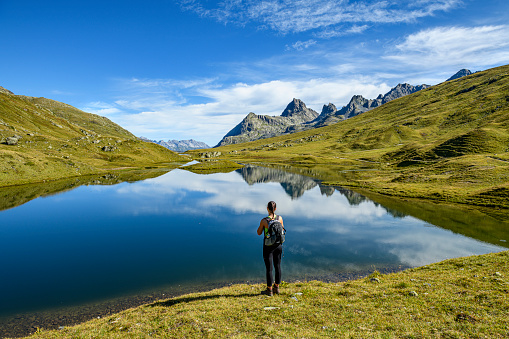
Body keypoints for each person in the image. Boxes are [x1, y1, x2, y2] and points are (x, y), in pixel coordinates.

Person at [257, 200, 284, 296]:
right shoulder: (280, 218)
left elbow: (259, 232)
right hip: (278, 246)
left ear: (267, 209)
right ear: (275, 208)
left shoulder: (264, 221)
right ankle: (277, 287)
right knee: (278, 266)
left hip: (268, 246)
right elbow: (282, 230)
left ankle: (269, 290)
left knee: (269, 268)